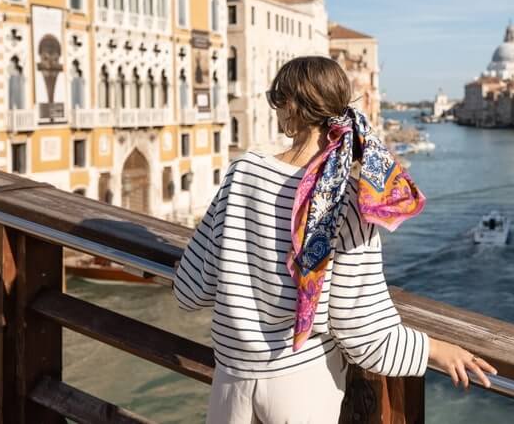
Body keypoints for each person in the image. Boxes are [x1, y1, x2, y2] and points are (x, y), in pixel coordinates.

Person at [174, 56, 495, 423]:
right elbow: (363, 333)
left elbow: (190, 290)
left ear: (290, 107)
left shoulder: (242, 174)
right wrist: (436, 350)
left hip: (231, 387)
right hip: (301, 391)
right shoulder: (347, 201)